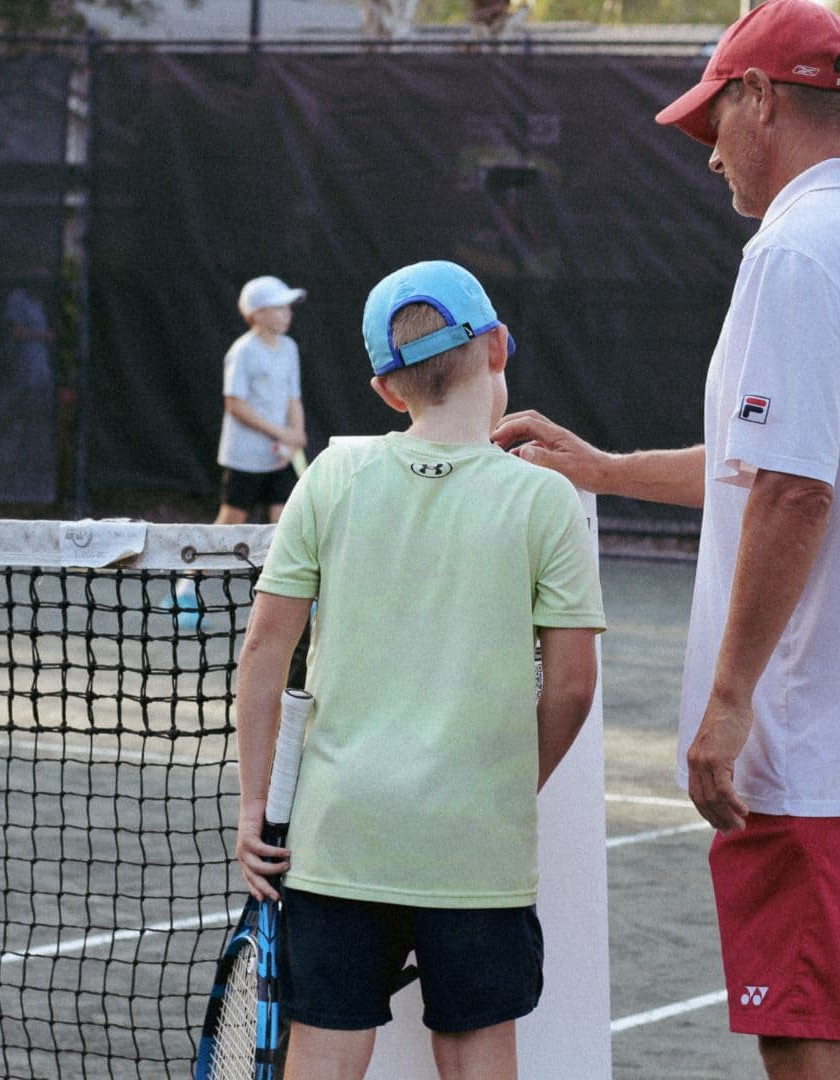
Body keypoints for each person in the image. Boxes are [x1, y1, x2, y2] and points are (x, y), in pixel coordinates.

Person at [491, 2, 840, 1077]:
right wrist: (608, 470)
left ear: (761, 97)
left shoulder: (795, 254)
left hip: (823, 723)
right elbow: (776, 468)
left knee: (805, 1031)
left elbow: (795, 495)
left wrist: (728, 701)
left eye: (712, 120)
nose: (709, 153)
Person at [233, 260, 605, 1080]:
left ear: (385, 388)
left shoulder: (331, 477)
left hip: (340, 836)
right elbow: (574, 685)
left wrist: (255, 802)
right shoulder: (544, 499)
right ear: (499, 347)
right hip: (475, 844)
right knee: (478, 1056)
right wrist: (510, 781)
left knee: (324, 1055)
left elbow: (263, 651)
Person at [216, 274, 309, 525]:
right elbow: (235, 404)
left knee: (282, 524)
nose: (287, 314)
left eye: (288, 307)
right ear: (256, 314)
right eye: (278, 308)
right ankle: (198, 566)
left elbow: (293, 397)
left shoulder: (289, 348)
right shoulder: (243, 351)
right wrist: (281, 432)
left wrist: (297, 433)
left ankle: (270, 567)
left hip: (280, 457)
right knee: (231, 521)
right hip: (245, 458)